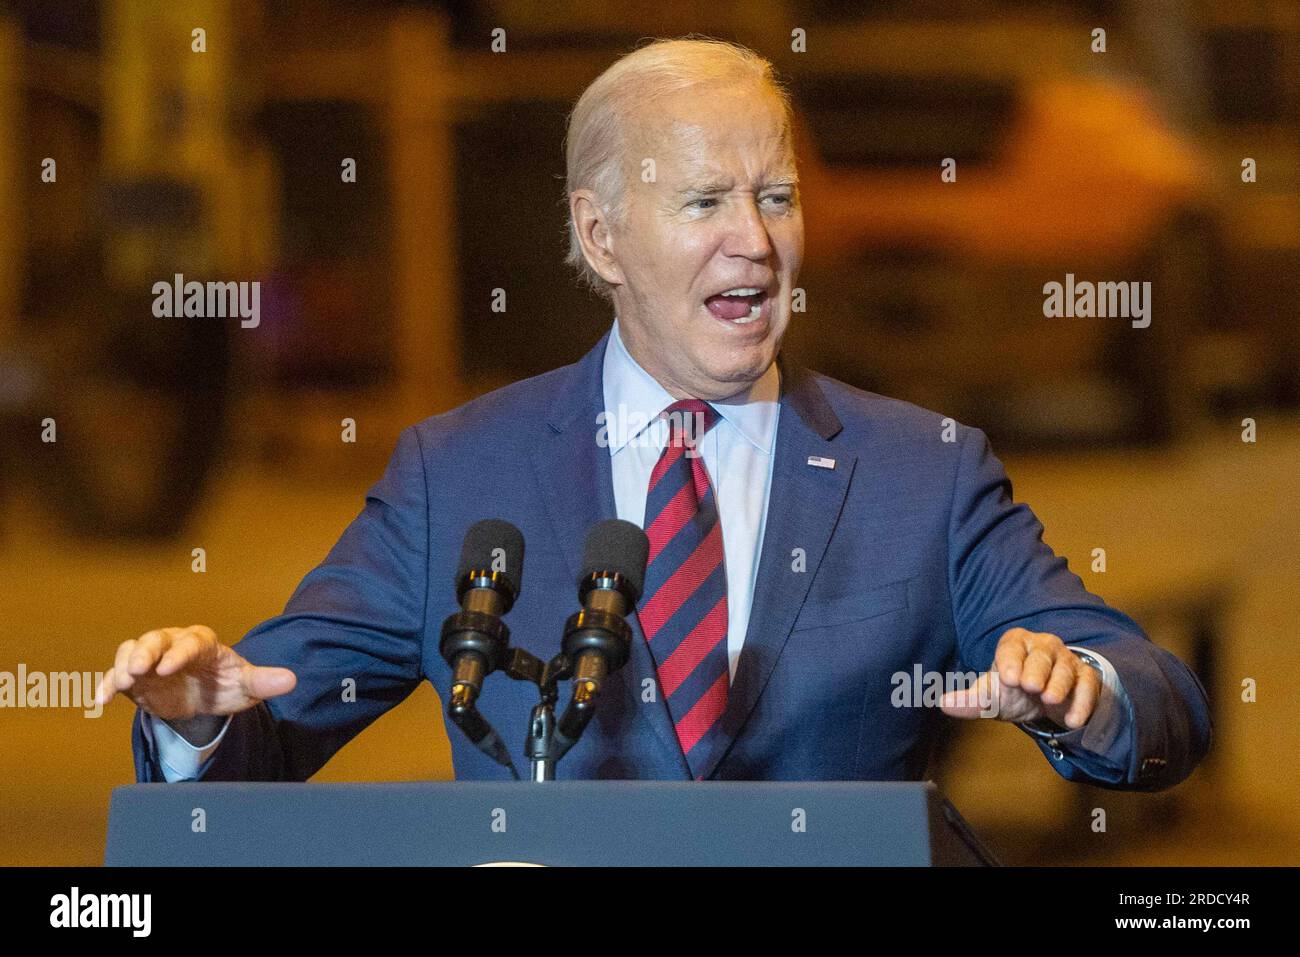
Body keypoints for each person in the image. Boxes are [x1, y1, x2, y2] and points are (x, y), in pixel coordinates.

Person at [97, 37, 1211, 787]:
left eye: (776, 197)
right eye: (705, 201)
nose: (757, 240)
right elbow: (271, 723)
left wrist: (1090, 694)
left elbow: (1155, 698)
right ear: (600, 237)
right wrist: (198, 717)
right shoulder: (458, 475)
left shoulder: (924, 470)